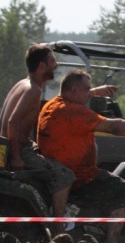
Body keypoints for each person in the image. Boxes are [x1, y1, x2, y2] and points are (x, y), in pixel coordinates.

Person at [36, 69, 125, 243]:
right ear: (74, 90)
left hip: (59, 170)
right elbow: (114, 126)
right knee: (124, 191)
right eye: (86, 89)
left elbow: (77, 96)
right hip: (79, 176)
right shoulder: (73, 111)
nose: (89, 92)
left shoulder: (53, 105)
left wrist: (94, 92)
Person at [1, 45, 113, 229]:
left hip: (13, 147)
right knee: (65, 175)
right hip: (19, 150)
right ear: (41, 65)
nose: (56, 65)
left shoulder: (22, 84)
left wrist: (92, 92)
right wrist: (17, 157)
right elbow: (13, 121)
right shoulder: (33, 90)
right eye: (52, 61)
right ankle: (57, 228)